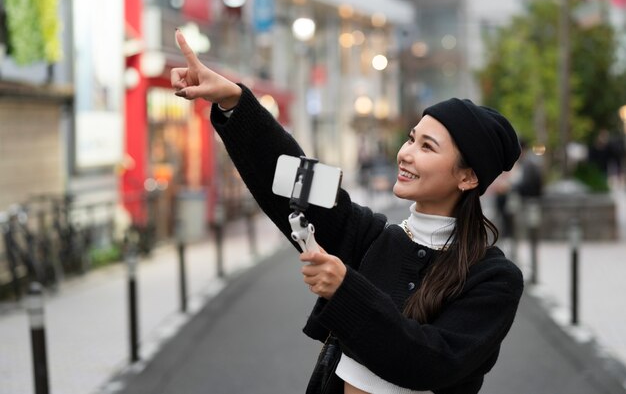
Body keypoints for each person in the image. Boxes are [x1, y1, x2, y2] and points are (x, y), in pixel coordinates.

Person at [171, 30, 523, 394]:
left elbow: (431, 362)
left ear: (467, 177)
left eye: (427, 147)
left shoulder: (495, 278)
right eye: (411, 137)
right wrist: (235, 101)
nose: (405, 153)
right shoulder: (370, 235)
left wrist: (345, 289)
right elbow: (292, 174)